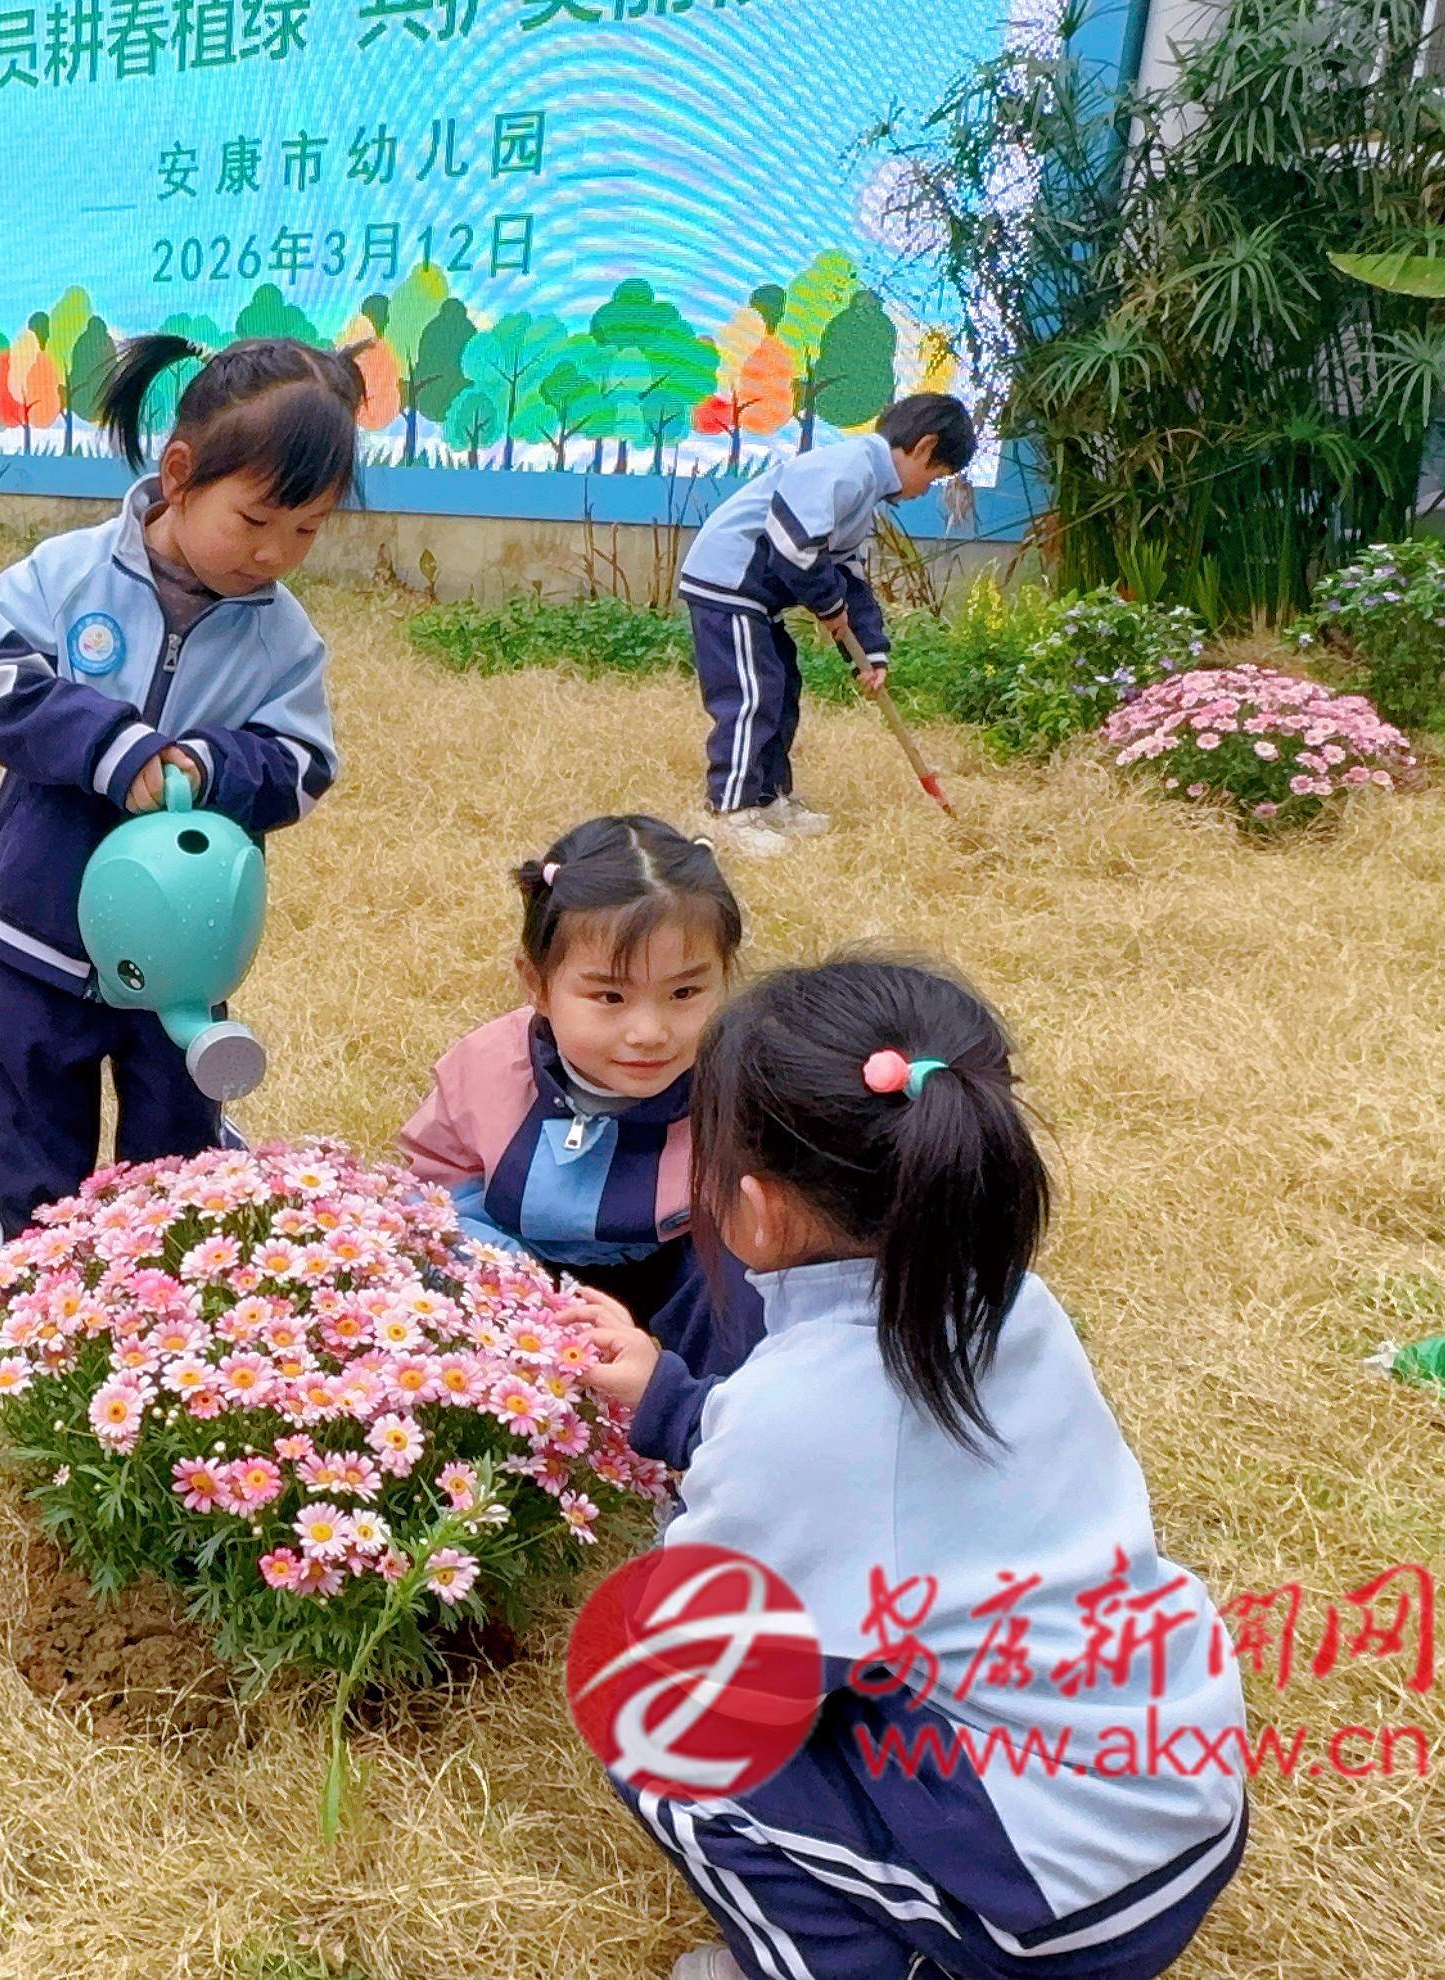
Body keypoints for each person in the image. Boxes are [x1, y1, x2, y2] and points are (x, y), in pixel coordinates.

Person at [578, 958, 1246, 1980]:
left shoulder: (801, 1411)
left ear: (756, 1209)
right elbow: (870, 1476)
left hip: (1058, 1910)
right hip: (1168, 1805)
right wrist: (671, 1403)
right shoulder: (1009, 1302)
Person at [0, 332, 352, 1241]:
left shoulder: (283, 638)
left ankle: (152, 1307)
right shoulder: (65, 576)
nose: (275, 553)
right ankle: (29, 1303)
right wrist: (114, 746)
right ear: (179, 474)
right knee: (30, 1151)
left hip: (185, 951)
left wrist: (211, 765)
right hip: (40, 937)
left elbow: (305, 763)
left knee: (176, 1165)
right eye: (255, 520)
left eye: (306, 530)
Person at [397, 814, 756, 1467]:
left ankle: (712, 1431)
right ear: (537, 984)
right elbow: (434, 1180)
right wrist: (509, 1278)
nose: (649, 1031)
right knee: (430, 1261)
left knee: (741, 1273)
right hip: (525, 1263)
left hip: (673, 1267)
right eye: (610, 997)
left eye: (685, 992)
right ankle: (504, 1444)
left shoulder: (739, 1084)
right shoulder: (488, 1069)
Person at [677, 395, 977, 854]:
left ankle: (767, 798)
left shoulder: (865, 490)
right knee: (752, 696)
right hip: (728, 584)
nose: (926, 489)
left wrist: (870, 654)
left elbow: (845, 574)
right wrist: (828, 605)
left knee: (781, 689)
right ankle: (728, 811)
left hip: (758, 598)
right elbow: (794, 548)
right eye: (935, 476)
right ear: (924, 447)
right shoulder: (846, 469)